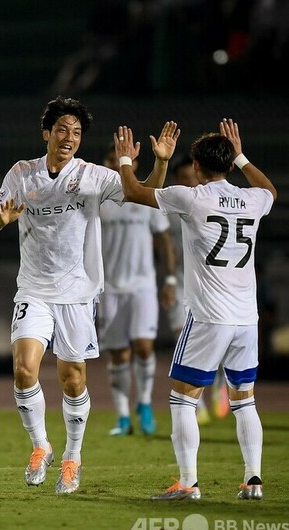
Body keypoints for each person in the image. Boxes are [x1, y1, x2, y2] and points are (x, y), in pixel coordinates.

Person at [0, 95, 179, 494]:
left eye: (76, 132)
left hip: (77, 293)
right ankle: (41, 446)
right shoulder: (22, 173)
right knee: (23, 370)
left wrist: (160, 162)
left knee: (72, 380)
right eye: (62, 130)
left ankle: (72, 457)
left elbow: (144, 193)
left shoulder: (93, 176)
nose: (69, 137)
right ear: (46, 133)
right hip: (34, 288)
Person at [114, 118, 276, 501]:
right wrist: (241, 156)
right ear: (228, 163)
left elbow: (134, 192)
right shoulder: (253, 200)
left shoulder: (192, 197)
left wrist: (126, 160)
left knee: (183, 399)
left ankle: (188, 483)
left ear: (197, 168)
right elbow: (269, 189)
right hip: (245, 319)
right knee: (244, 400)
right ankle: (253, 480)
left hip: (209, 317)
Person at [98, 143, 176, 437]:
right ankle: (121, 416)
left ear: (133, 164)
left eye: (119, 161)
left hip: (143, 284)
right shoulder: (99, 200)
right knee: (118, 354)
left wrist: (169, 280)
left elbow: (165, 241)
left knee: (144, 346)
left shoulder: (145, 197)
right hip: (109, 287)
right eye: (110, 160)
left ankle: (143, 403)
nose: (114, 165)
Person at [164, 154, 225, 424]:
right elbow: (165, 246)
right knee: (182, 338)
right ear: (177, 181)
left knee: (219, 342)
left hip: (212, 286)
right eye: (185, 179)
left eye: (193, 177)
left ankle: (220, 383)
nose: (191, 183)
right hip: (181, 283)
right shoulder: (169, 208)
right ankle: (194, 403)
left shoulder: (210, 203)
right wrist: (169, 280)